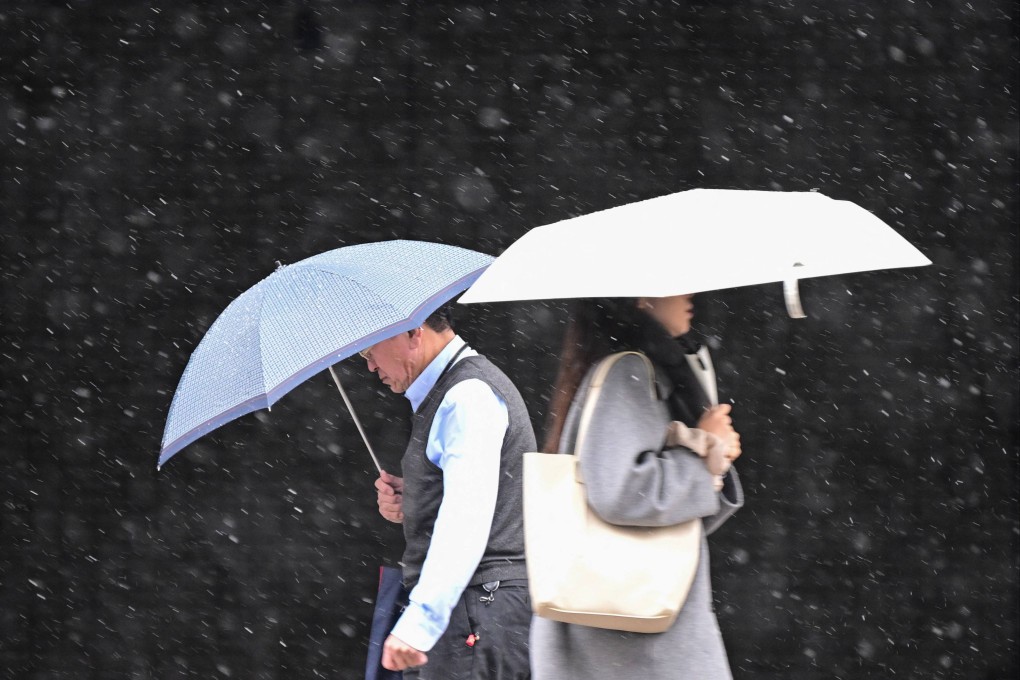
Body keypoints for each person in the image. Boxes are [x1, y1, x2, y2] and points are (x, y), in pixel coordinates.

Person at [530, 294, 744, 680]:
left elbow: (663, 518)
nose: (690, 296)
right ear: (643, 298)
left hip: (625, 635)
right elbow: (620, 490)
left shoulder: (633, 369)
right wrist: (703, 460)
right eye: (678, 284)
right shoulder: (629, 371)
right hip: (633, 645)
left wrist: (709, 459)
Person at [364, 304, 535, 680]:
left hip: (477, 612)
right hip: (479, 613)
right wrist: (417, 499)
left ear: (413, 331)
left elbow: (466, 518)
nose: (370, 366)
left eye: (370, 350)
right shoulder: (455, 392)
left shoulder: (467, 397)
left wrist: (421, 623)